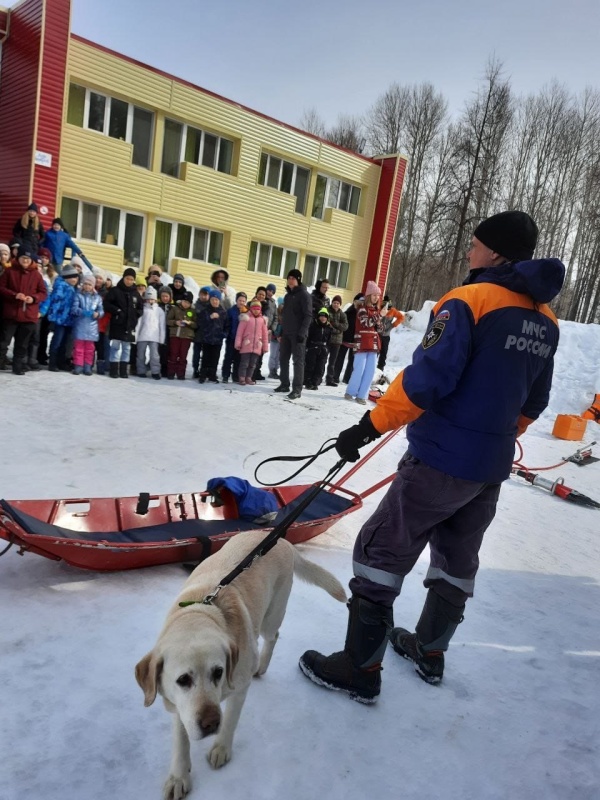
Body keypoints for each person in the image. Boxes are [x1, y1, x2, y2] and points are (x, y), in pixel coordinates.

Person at [299, 210, 565, 704]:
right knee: (456, 558)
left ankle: (359, 668)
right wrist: (493, 435)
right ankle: (429, 650)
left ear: (496, 253)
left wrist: (368, 425)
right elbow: (534, 402)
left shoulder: (469, 301)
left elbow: (425, 380)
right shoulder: (545, 321)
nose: (469, 251)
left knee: (381, 551)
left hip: (441, 461)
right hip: (489, 468)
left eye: (475, 243)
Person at [0, 245, 47, 374]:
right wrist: (14, 295)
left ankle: (17, 366)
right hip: (11, 314)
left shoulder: (36, 274)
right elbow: (1, 288)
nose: (25, 261)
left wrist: (33, 298)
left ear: (31, 259)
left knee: (22, 344)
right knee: (4, 342)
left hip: (28, 315)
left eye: (27, 258)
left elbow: (43, 292)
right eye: (22, 258)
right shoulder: (10, 271)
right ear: (18, 258)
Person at [274, 269, 312, 400]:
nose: (290, 280)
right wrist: (281, 331)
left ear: (298, 280)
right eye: (289, 277)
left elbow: (308, 316)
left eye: (293, 278)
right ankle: (284, 384)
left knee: (298, 361)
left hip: (298, 334)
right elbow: (285, 316)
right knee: (283, 359)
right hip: (286, 333)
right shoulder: (288, 295)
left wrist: (302, 332)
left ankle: (297, 389)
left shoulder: (304, 295)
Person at [345, 282, 383, 405]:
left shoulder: (376, 310)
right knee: (359, 369)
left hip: (373, 344)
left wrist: (380, 319)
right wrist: (378, 316)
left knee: (370, 370)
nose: (376, 297)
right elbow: (366, 323)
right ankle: (350, 392)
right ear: (368, 295)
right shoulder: (361, 309)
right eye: (374, 295)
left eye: (378, 295)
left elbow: (380, 329)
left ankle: (362, 395)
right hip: (361, 343)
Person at [103, 267, 143, 379]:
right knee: (115, 347)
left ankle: (123, 370)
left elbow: (141, 307)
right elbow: (106, 304)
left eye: (131, 279)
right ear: (123, 278)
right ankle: (114, 370)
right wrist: (117, 311)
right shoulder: (115, 290)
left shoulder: (135, 293)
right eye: (127, 278)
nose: (129, 281)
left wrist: (136, 315)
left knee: (126, 348)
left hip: (130, 325)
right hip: (117, 324)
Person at [46, 264, 80, 371]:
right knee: (57, 341)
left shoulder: (73, 289)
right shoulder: (61, 286)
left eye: (76, 277)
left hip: (69, 320)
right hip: (60, 319)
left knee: (65, 343)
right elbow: (55, 302)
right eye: (72, 277)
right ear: (66, 277)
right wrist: (54, 316)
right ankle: (52, 363)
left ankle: (61, 362)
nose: (74, 279)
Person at [71, 273, 104, 375]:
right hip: (80, 325)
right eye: (85, 284)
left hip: (92, 327)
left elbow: (101, 310)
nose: (87, 286)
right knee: (79, 347)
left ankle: (87, 366)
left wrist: (97, 314)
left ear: (93, 286)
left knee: (90, 348)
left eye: (90, 284)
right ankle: (78, 365)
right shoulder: (78, 295)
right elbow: (74, 309)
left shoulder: (97, 298)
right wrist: (82, 312)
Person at [235, 298, 269, 385]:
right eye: (254, 308)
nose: (256, 311)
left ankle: (249, 378)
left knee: (252, 364)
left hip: (257, 346)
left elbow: (265, 335)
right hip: (246, 344)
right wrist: (238, 343)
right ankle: (242, 378)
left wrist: (265, 346)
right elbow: (239, 332)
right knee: (244, 363)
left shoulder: (263, 320)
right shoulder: (246, 318)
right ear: (251, 309)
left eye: (258, 309)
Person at [197, 289, 227, 383]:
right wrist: (209, 317)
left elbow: (227, 325)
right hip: (207, 339)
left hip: (218, 340)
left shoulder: (223, 312)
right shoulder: (205, 311)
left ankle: (212, 375)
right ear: (210, 300)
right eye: (213, 299)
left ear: (219, 300)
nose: (215, 301)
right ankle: (203, 375)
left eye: (216, 299)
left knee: (215, 358)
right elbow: (200, 323)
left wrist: (224, 334)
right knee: (205, 358)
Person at [135, 286, 166, 380]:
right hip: (142, 336)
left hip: (154, 337)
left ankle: (155, 371)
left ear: (155, 299)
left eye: (152, 299)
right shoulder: (143, 309)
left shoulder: (159, 311)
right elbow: (138, 324)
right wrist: (135, 337)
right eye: (148, 299)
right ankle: (141, 371)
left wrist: (161, 338)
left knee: (154, 355)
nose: (150, 301)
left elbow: (162, 325)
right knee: (140, 354)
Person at [333, 294, 363, 384]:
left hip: (356, 340)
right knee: (340, 358)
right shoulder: (348, 313)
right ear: (354, 302)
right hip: (345, 339)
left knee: (352, 360)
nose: (360, 304)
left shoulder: (363, 314)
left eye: (362, 302)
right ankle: (335, 376)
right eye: (359, 302)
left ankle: (347, 378)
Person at [167, 291, 196, 379]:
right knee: (173, 354)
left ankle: (181, 374)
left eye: (188, 302)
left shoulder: (193, 311)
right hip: (175, 335)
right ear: (181, 301)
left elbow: (196, 324)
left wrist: (189, 323)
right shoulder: (175, 309)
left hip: (186, 337)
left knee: (183, 356)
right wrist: (176, 322)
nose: (186, 304)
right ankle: (171, 373)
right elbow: (168, 320)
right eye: (184, 301)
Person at [222, 291, 247, 383]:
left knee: (238, 359)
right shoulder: (231, 311)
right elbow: (227, 324)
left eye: (244, 301)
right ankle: (225, 375)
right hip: (231, 338)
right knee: (228, 357)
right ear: (236, 300)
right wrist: (227, 333)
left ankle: (235, 375)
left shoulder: (247, 312)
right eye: (240, 300)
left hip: (241, 340)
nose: (242, 302)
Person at [304, 308, 332, 390]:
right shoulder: (313, 325)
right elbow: (308, 337)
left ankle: (315, 382)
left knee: (320, 367)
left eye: (325, 317)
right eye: (321, 316)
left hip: (323, 349)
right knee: (310, 366)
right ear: (318, 317)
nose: (323, 318)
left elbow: (329, 340)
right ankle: (308, 382)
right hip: (313, 347)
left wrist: (327, 349)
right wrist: (308, 347)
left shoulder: (329, 327)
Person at [325, 295, 348, 386]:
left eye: (338, 303)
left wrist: (335, 325)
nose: (336, 304)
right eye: (334, 302)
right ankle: (318, 378)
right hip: (327, 339)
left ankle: (329, 379)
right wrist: (337, 329)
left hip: (337, 342)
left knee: (332, 362)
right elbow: (327, 324)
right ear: (332, 303)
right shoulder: (327, 311)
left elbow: (345, 326)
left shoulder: (342, 314)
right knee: (322, 360)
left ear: (340, 304)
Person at [377, 296, 405, 371]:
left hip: (386, 334)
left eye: (388, 307)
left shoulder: (393, 310)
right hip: (378, 333)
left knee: (384, 352)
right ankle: (372, 366)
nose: (386, 310)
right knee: (376, 351)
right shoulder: (379, 308)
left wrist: (394, 325)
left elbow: (401, 317)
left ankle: (380, 367)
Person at [192, 286, 211, 378]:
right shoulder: (195, 306)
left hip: (208, 335)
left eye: (206, 295)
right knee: (196, 354)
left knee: (206, 355)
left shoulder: (211, 306)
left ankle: (204, 370)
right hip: (198, 334)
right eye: (202, 294)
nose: (203, 297)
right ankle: (195, 369)